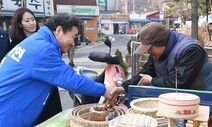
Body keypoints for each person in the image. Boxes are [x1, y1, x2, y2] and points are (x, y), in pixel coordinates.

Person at [0, 13, 124, 127]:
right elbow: (71, 80)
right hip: (8, 118)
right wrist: (104, 90)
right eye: (73, 37)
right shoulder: (42, 49)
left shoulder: (36, 42)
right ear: (59, 30)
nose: (74, 43)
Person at [122, 22, 212, 93]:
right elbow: (144, 73)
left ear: (160, 42)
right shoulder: (157, 52)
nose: (147, 51)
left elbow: (180, 82)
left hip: (203, 96)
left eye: (149, 48)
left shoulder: (190, 50)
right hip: (181, 95)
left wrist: (152, 80)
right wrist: (123, 87)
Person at [8, 7, 62, 124]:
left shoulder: (44, 38)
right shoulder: (17, 44)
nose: (32, 23)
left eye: (33, 19)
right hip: (31, 91)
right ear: (20, 24)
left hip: (49, 86)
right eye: (27, 21)